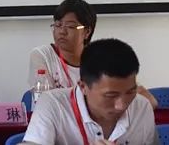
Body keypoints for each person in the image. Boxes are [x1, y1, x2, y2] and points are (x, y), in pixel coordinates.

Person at [22, 38, 157, 145]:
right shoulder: (53, 104)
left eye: (130, 92)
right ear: (83, 87)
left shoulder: (142, 107)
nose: (121, 105)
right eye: (111, 95)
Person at [28, 0, 97, 90]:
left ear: (87, 32)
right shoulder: (43, 55)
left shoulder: (99, 61)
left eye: (70, 26)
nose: (62, 31)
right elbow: (45, 96)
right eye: (58, 25)